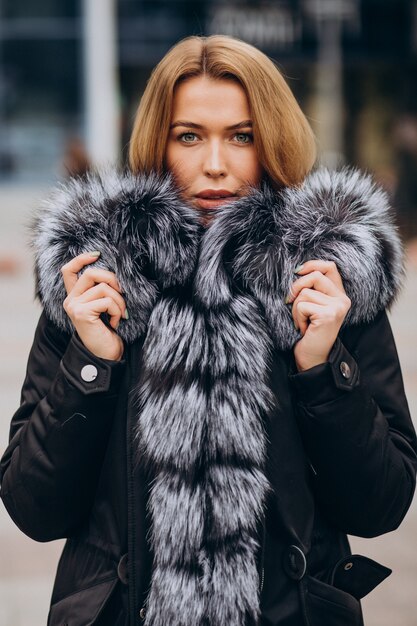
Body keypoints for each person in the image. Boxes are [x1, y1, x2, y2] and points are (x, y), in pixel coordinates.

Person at [1, 34, 416, 626]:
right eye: (189, 135)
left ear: (272, 140)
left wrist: (322, 371)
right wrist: (92, 366)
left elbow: (382, 504)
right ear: (156, 142)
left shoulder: (328, 280)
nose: (215, 164)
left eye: (241, 136)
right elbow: (32, 507)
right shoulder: (98, 282)